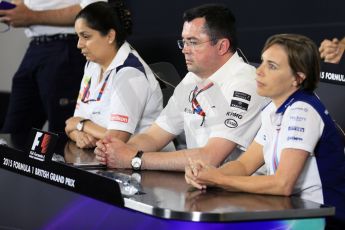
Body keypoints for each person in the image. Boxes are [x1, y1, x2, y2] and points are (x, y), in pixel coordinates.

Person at [185, 34, 345, 228]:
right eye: (262, 62)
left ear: (298, 77)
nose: (258, 72)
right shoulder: (273, 108)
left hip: (324, 219)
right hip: (295, 212)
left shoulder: (302, 110)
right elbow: (244, 165)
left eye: (272, 66)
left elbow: (282, 184)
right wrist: (207, 174)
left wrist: (219, 179)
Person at [94, 4, 268, 171]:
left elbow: (210, 158)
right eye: (183, 42)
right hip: (202, 182)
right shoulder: (192, 79)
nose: (185, 50)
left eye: (193, 42)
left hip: (244, 192)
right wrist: (116, 150)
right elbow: (153, 137)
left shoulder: (245, 84)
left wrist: (135, 159)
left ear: (222, 46)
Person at [65, 2, 163, 149]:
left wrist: (81, 124)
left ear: (110, 36)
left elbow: (116, 139)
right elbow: (70, 125)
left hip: (140, 162)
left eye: (86, 36)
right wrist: (79, 134)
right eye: (78, 36)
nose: (79, 44)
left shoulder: (130, 74)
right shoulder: (91, 65)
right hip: (103, 156)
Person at [0, 0, 106, 134]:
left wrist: (31, 16)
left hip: (67, 45)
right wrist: (13, 11)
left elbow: (93, 10)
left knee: (63, 133)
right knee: (12, 135)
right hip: (35, 47)